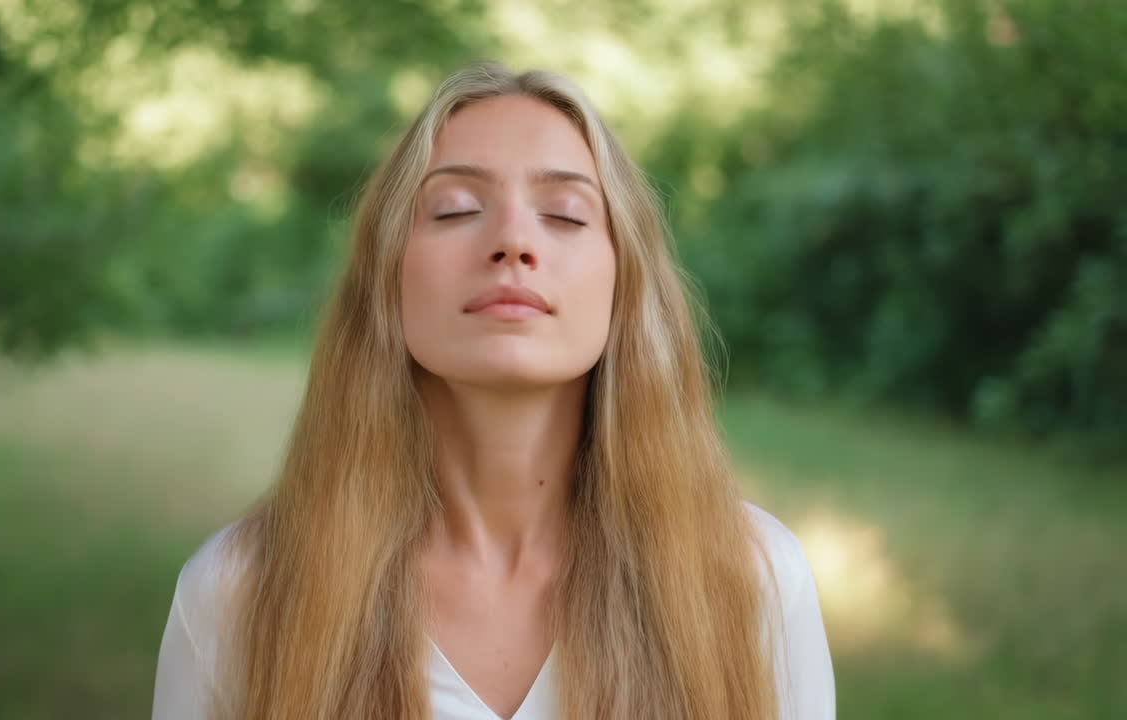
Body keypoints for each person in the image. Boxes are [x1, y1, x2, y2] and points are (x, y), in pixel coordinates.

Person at [150, 61, 835, 720]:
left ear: (626, 282)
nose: (512, 240)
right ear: (387, 280)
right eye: (454, 210)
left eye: (565, 214)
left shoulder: (753, 579)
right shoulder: (238, 593)